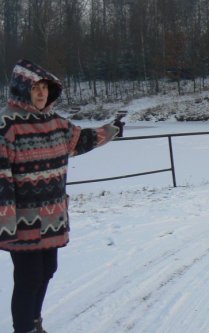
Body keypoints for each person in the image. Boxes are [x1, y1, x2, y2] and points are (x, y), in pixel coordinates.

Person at [0, 59, 122, 333]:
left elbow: (81, 140)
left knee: (46, 272)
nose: (41, 93)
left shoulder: (55, 123)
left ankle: (34, 322)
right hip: (22, 221)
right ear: (22, 90)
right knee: (28, 278)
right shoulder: (7, 125)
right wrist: (4, 221)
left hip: (52, 217)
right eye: (35, 88)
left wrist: (111, 130)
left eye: (45, 87)